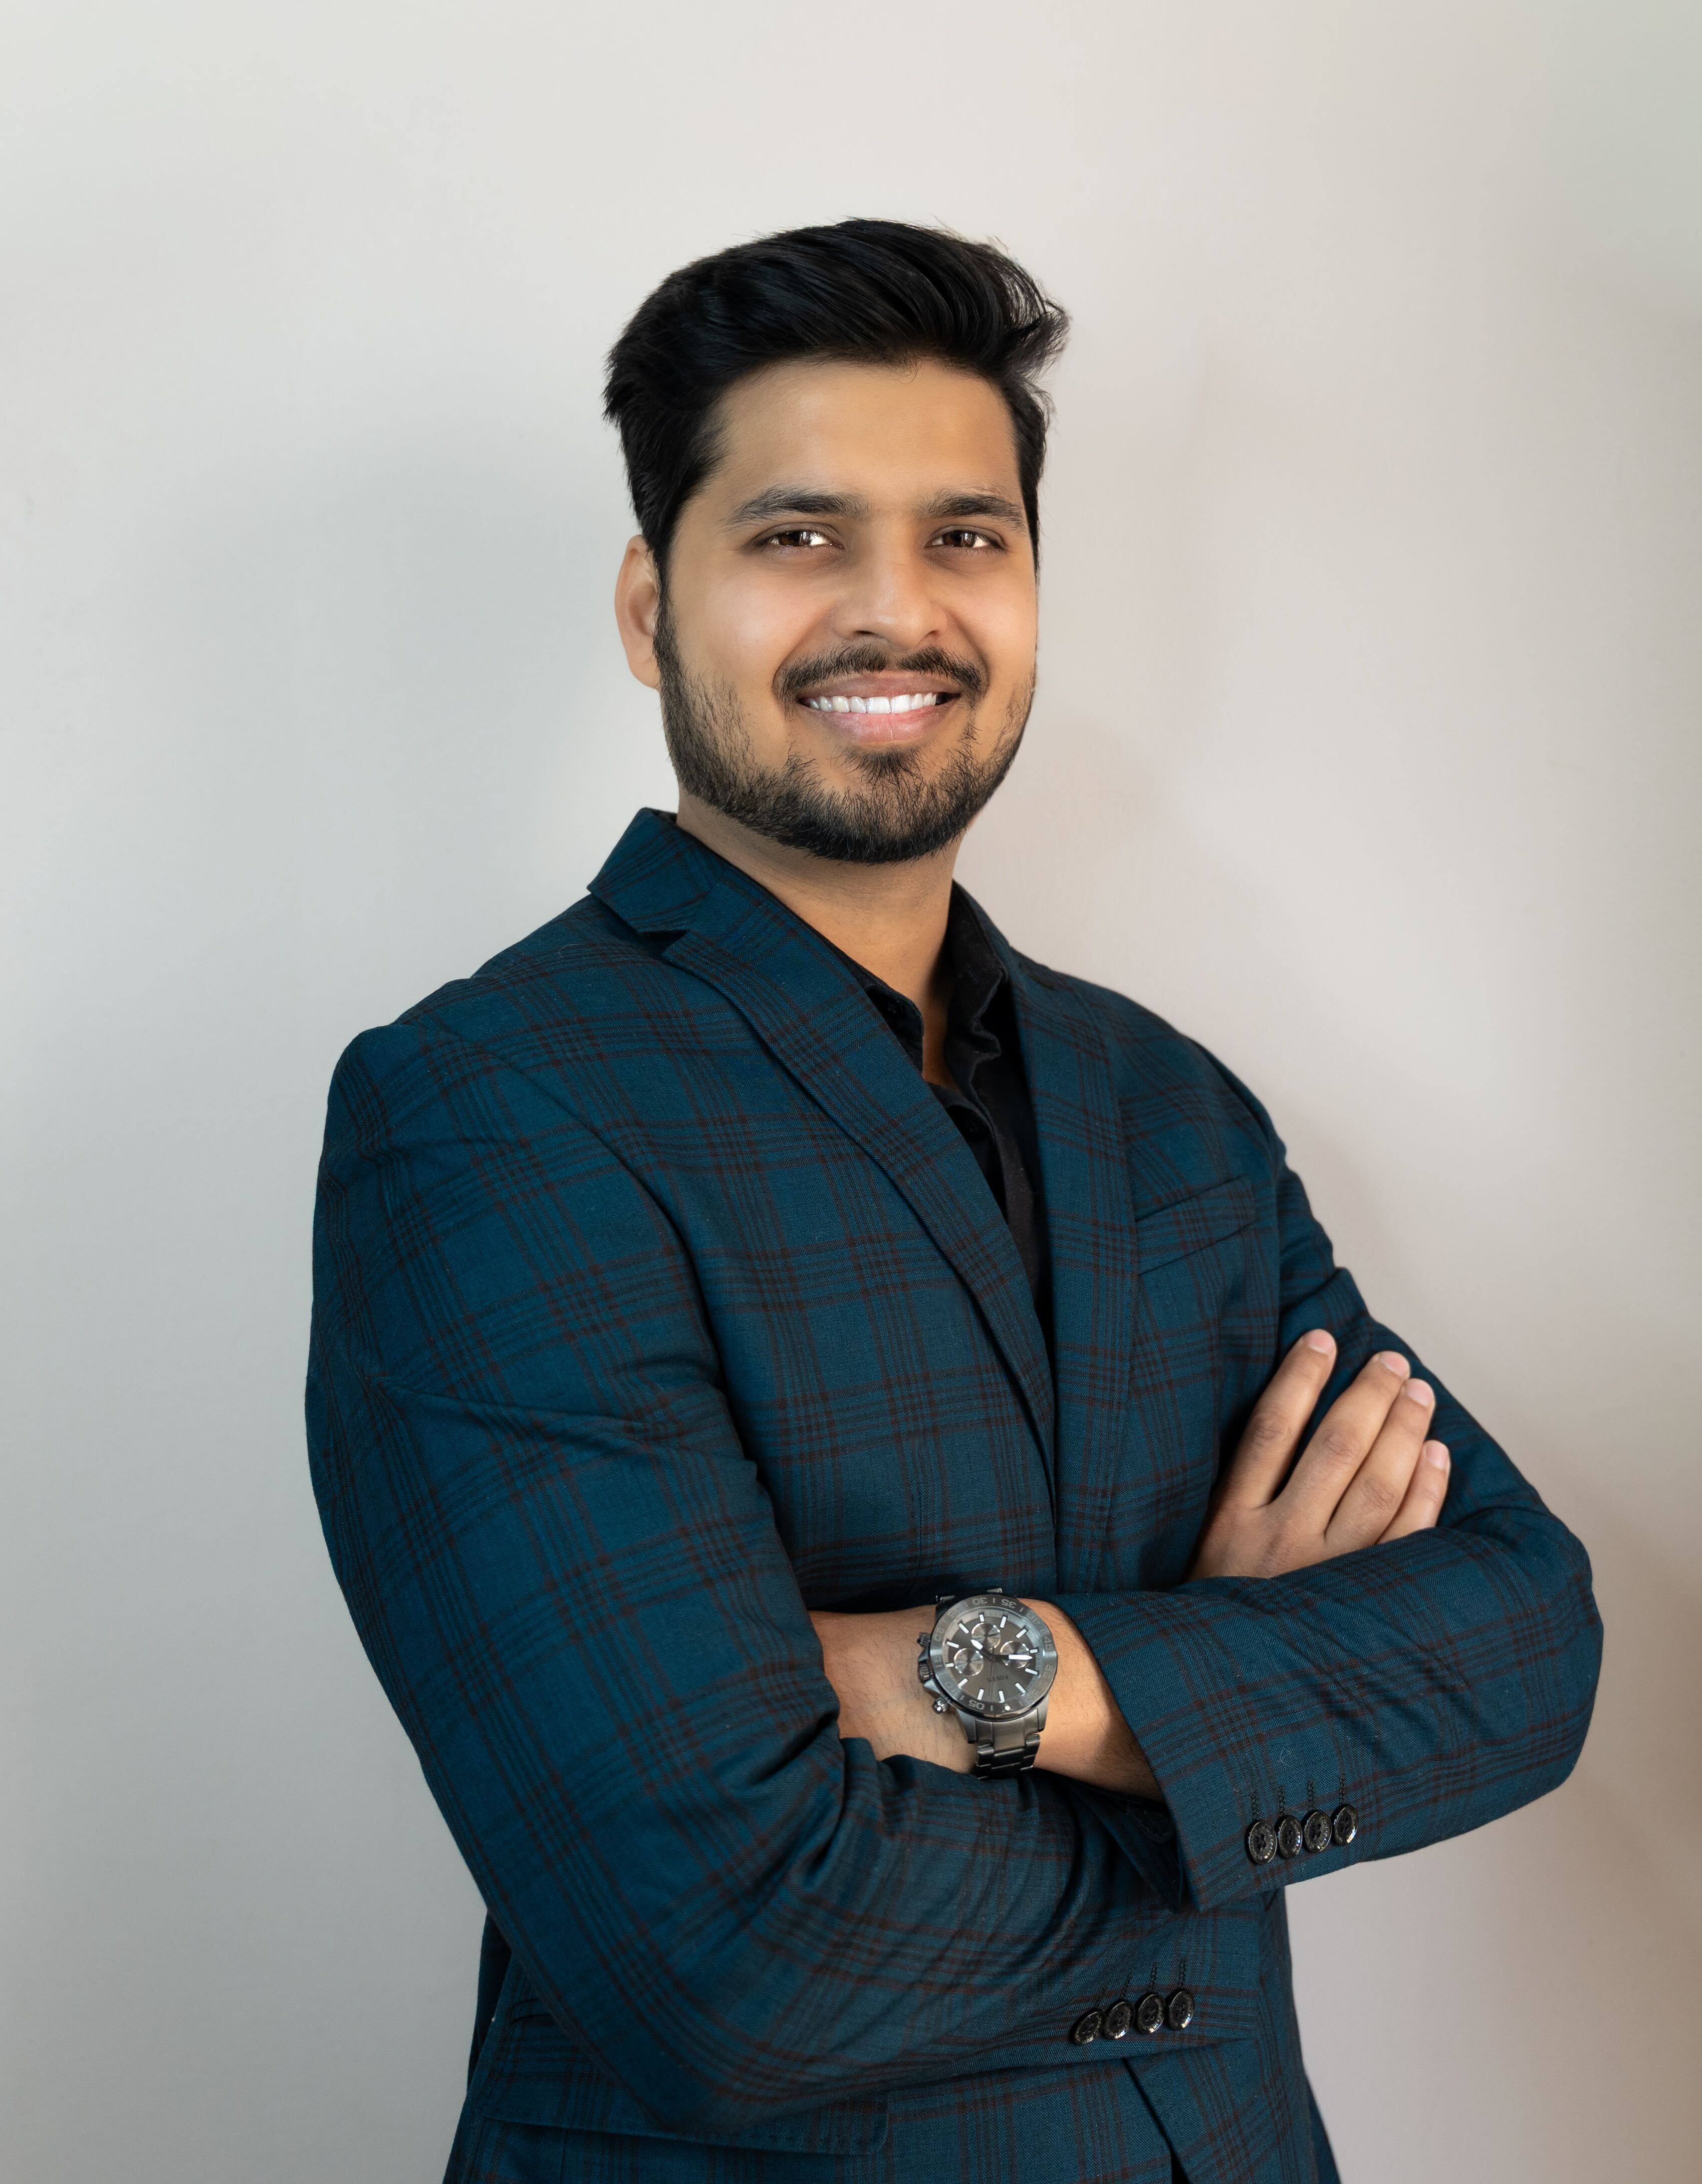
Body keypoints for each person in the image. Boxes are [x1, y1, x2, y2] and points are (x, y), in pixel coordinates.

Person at [307, 219, 1601, 2184]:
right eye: (798, 534)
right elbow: (733, 1960)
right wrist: (1230, 1709)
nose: (893, 608)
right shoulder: (490, 1114)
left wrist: (992, 1679)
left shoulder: (1161, 1101)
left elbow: (1522, 1642)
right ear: (655, 608)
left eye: (965, 535)